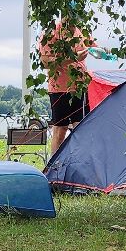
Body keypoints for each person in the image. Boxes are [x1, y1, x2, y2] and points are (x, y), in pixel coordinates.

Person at [38, 15, 94, 160]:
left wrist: (102, 51)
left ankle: (81, 163)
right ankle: (53, 165)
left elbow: (93, 46)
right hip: (60, 88)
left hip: (80, 86)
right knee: (61, 127)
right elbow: (45, 62)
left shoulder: (81, 31)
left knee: (82, 127)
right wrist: (74, 57)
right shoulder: (51, 32)